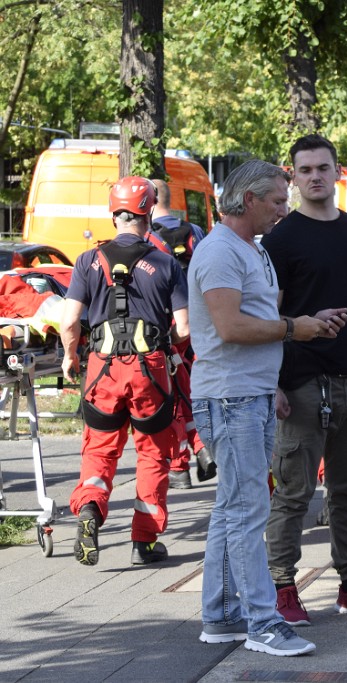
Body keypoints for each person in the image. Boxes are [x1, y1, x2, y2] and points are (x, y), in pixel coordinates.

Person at [190, 160, 333, 657]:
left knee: (233, 509)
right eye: (276, 200)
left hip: (244, 393)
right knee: (249, 512)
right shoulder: (220, 251)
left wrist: (270, 379)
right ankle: (262, 622)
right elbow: (229, 328)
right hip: (230, 398)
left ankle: (223, 615)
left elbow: (246, 324)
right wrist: (297, 327)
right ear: (247, 199)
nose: (284, 208)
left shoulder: (247, 248)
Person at [262, 134, 347, 625]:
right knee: (294, 493)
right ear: (293, 176)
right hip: (301, 383)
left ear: (337, 171)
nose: (315, 176)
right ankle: (281, 588)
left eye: (323, 167)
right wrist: (272, 383)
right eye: (305, 170)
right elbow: (265, 317)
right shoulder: (280, 240)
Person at [60, 176, 188, 567]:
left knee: (99, 450)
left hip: (102, 368)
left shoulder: (87, 261)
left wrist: (70, 358)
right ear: (149, 211)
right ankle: (144, 542)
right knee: (152, 454)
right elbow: (184, 328)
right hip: (149, 370)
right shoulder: (167, 263)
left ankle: (90, 510)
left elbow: (70, 323)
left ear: (112, 212)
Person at [147, 178, 211, 490]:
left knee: (171, 397)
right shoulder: (195, 232)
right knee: (193, 391)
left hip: (165, 330)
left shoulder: (145, 237)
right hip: (195, 324)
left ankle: (179, 465)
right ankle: (203, 446)